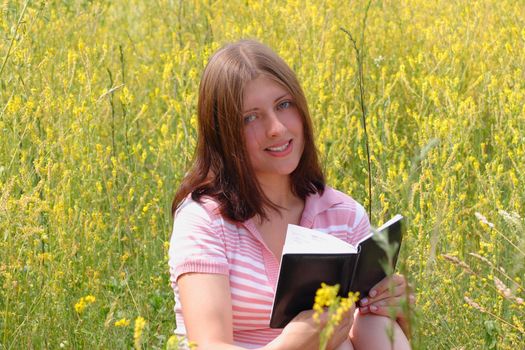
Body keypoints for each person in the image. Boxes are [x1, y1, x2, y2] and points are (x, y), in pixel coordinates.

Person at [168, 39, 412, 350]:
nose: (277, 128)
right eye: (250, 117)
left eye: (284, 105)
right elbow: (207, 345)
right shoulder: (204, 220)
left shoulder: (343, 215)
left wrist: (393, 308)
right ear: (224, 133)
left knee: (374, 322)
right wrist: (293, 345)